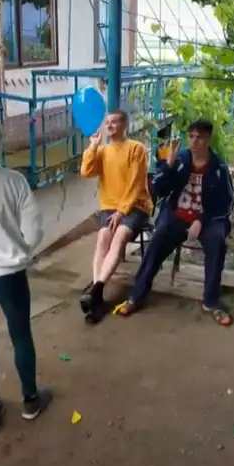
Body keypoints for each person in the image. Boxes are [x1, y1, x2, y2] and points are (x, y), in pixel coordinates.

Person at [114, 119, 234, 326]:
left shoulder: (218, 168)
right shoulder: (179, 160)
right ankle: (137, 295)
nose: (195, 142)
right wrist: (168, 166)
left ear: (209, 139)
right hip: (177, 216)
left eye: (200, 137)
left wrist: (201, 220)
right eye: (192, 136)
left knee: (217, 242)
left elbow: (226, 204)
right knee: (158, 239)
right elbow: (159, 190)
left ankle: (211, 302)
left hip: (206, 219)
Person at [0, 110, 52, 434]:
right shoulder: (13, 181)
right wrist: (21, 252)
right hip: (7, 275)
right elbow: (33, 232)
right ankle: (30, 401)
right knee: (21, 334)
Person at [79, 110, 153, 324]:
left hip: (135, 206)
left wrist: (122, 211)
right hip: (109, 207)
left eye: (114, 122)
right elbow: (86, 171)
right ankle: (97, 294)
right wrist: (93, 145)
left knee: (119, 236)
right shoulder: (102, 151)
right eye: (107, 122)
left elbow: (136, 183)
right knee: (103, 238)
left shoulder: (136, 149)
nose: (110, 125)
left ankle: (96, 289)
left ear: (124, 125)